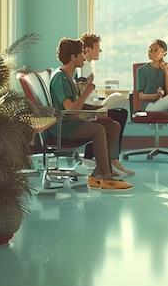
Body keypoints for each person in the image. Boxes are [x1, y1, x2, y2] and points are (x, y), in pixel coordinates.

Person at [49, 38, 132, 190]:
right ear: (73, 57)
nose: (83, 56)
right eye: (81, 53)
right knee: (99, 129)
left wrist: (98, 109)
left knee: (113, 126)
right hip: (63, 127)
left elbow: (76, 106)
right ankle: (107, 177)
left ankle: (97, 174)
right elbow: (71, 110)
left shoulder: (69, 77)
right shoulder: (60, 78)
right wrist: (87, 90)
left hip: (70, 122)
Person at [79, 33, 134, 176]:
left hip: (92, 104)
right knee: (120, 115)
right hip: (87, 108)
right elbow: (83, 93)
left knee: (119, 111)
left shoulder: (87, 66)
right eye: (97, 47)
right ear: (87, 49)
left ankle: (95, 156)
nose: (100, 51)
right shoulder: (83, 66)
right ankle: (112, 159)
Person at [136, 40, 168, 113]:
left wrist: (166, 71)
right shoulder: (141, 70)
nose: (151, 52)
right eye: (149, 50)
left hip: (162, 104)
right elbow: (140, 96)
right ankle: (167, 120)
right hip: (148, 106)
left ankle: (167, 121)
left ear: (163, 54)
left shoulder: (164, 69)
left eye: (155, 50)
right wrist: (156, 95)